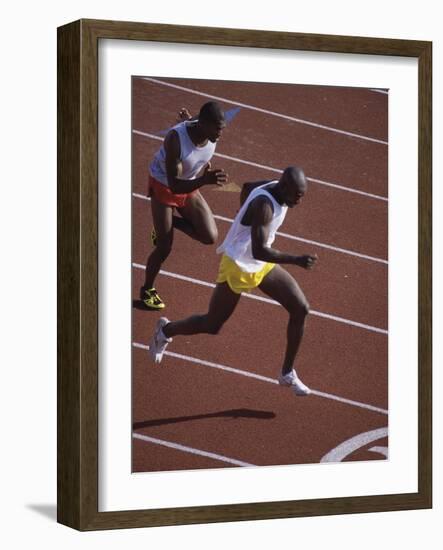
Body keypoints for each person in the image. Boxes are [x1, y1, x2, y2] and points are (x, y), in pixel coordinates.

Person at [148, 166, 318, 395]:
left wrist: (242, 212)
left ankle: (287, 374)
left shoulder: (274, 186)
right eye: (298, 194)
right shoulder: (265, 207)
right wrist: (295, 259)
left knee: (300, 308)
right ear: (285, 187)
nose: (300, 199)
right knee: (211, 324)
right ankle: (165, 331)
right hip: (238, 264)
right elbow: (259, 251)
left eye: (303, 194)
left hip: (260, 263)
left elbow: (247, 186)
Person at [140, 101, 228, 310]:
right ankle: (146, 290)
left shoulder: (206, 131)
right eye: (217, 127)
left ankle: (167, 226)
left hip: (188, 185)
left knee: (209, 236)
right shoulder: (175, 140)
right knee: (164, 248)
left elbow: (194, 123)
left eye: (222, 128)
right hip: (165, 185)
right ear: (204, 123)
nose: (220, 133)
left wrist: (187, 120)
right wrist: (204, 181)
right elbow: (174, 185)